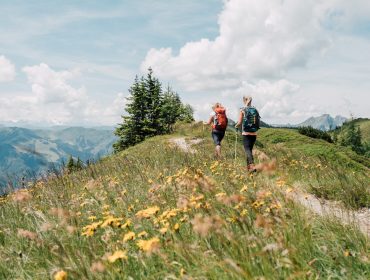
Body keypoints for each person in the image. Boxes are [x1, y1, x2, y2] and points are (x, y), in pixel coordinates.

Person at [235, 96, 260, 172]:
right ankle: (249, 169)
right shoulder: (255, 109)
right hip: (254, 133)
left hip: (246, 133)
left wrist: (236, 125)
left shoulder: (242, 109)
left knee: (247, 150)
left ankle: (252, 166)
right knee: (249, 151)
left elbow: (239, 123)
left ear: (244, 101)